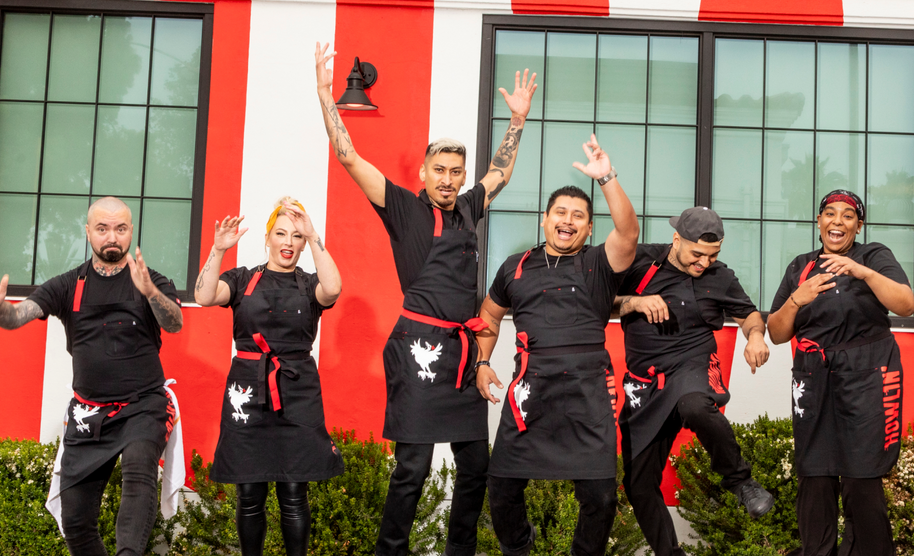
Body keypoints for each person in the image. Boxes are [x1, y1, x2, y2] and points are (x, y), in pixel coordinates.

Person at [312, 42, 538, 556]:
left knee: (475, 466)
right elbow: (348, 157)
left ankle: (459, 549)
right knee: (412, 467)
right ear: (423, 173)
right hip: (417, 350)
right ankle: (389, 551)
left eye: (457, 171)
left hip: (463, 354)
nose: (450, 179)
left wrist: (517, 121)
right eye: (441, 170)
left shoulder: (468, 209)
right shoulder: (401, 208)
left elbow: (499, 172)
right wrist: (326, 95)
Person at [0, 196, 186, 556]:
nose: (111, 237)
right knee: (76, 523)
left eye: (119, 228)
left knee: (138, 465)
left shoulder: (152, 280)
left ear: (130, 231)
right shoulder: (67, 285)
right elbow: (17, 316)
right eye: (102, 229)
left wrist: (149, 292)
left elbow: (174, 323)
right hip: (89, 413)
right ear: (88, 233)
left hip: (143, 406)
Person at [473, 134, 639, 556]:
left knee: (600, 498)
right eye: (560, 213)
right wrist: (482, 361)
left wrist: (607, 178)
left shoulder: (599, 264)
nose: (568, 221)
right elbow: (490, 314)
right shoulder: (516, 267)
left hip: (588, 394)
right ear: (545, 220)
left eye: (578, 216)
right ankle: (520, 549)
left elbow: (629, 231)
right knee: (502, 490)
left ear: (588, 227)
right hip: (531, 393)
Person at [611, 206, 776, 556]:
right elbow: (600, 303)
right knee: (638, 484)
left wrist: (756, 337)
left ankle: (741, 482)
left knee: (694, 405)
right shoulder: (640, 261)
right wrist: (635, 302)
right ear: (676, 239)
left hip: (693, 365)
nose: (704, 263)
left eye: (712, 255)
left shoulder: (720, 277)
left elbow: (747, 314)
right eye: (697, 254)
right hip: (644, 382)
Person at [766, 189, 914, 556]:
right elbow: (777, 332)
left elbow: (907, 305)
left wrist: (861, 271)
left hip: (868, 375)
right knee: (814, 475)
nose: (838, 221)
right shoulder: (800, 266)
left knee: (862, 477)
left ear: (858, 225)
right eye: (830, 214)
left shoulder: (874, 255)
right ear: (819, 222)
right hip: (813, 377)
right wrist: (797, 299)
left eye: (847, 216)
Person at [193, 198, 343, 556]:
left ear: (304, 243)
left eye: (296, 236)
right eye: (281, 233)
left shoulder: (310, 285)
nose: (288, 242)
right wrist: (217, 249)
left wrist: (314, 234)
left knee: (294, 492)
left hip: (298, 390)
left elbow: (334, 288)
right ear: (267, 238)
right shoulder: (243, 278)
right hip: (247, 389)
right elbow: (204, 295)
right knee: (249, 493)